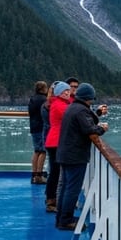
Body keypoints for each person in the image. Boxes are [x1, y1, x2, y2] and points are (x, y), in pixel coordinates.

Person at [55, 83, 107, 230]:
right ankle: (66, 220)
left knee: (66, 187)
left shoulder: (72, 107)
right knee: (72, 188)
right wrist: (102, 128)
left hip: (65, 153)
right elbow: (89, 129)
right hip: (75, 156)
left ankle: (61, 217)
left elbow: (86, 123)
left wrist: (95, 116)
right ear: (89, 98)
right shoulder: (81, 111)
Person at [44, 81, 73, 213]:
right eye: (64, 91)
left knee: (55, 172)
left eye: (68, 90)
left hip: (55, 141)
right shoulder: (59, 105)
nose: (67, 92)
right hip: (56, 142)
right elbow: (73, 116)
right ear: (58, 93)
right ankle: (51, 200)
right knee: (55, 173)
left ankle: (52, 199)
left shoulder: (60, 103)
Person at [27, 80, 49, 184]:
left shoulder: (32, 99)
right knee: (43, 151)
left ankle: (34, 174)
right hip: (42, 127)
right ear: (43, 89)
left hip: (33, 127)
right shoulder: (44, 100)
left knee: (36, 151)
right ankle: (39, 176)